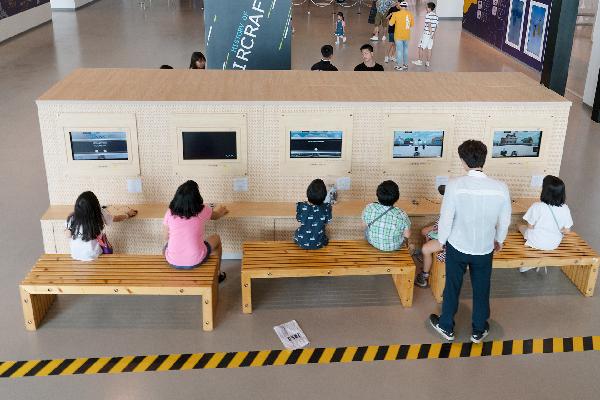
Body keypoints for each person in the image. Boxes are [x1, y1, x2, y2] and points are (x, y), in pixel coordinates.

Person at [429, 140, 511, 344]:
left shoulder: (455, 185)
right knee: (482, 288)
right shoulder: (501, 187)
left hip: (457, 245)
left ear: (463, 161)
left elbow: (446, 217)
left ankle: (446, 326)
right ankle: (478, 329)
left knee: (452, 286)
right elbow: (505, 219)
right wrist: (499, 240)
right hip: (484, 247)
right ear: (484, 159)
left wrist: (441, 240)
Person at [163, 180, 228, 282]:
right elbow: (216, 216)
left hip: (172, 260)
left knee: (168, 245)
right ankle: (217, 274)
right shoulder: (202, 210)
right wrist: (221, 209)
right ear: (196, 197)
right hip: (195, 260)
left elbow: (166, 237)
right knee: (216, 238)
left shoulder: (169, 212)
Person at [518, 175, 573, 272]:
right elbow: (567, 231)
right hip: (553, 243)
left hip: (536, 241)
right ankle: (535, 262)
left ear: (545, 191)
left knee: (519, 225)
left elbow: (530, 226)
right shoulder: (565, 208)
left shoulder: (537, 206)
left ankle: (529, 262)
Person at [65, 191, 137, 261]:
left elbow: (67, 233)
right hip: (93, 256)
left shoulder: (71, 218)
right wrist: (127, 215)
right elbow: (114, 219)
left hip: (75, 255)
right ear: (96, 205)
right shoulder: (99, 213)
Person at [362, 180, 411, 251]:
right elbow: (407, 235)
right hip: (394, 247)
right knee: (412, 246)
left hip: (373, 243)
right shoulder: (401, 214)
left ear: (377, 194)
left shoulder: (369, 207)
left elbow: (364, 226)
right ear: (397, 197)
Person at [415, 185, 446, 288]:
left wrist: (433, 229)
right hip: (446, 232)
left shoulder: (452, 206)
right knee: (424, 231)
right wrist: (432, 228)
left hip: (452, 239)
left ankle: (424, 275)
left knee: (425, 248)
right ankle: (427, 260)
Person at [294, 179, 333, 249]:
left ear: (308, 193)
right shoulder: (327, 207)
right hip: (319, 242)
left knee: (297, 233)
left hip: (301, 241)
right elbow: (328, 221)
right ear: (324, 196)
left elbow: (299, 219)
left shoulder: (301, 206)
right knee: (325, 237)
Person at [389, 1, 414, 71]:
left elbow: (391, 24)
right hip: (407, 35)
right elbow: (411, 25)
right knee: (405, 50)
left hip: (398, 36)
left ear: (400, 6)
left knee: (399, 51)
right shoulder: (410, 14)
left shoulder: (396, 14)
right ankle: (405, 65)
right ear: (406, 7)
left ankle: (399, 66)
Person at [412, 2, 438, 69]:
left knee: (421, 47)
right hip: (431, 35)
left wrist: (430, 33)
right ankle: (428, 62)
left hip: (427, 34)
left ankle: (419, 61)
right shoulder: (436, 16)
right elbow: (436, 26)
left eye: (427, 7)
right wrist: (433, 34)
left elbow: (429, 25)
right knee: (429, 48)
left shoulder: (428, 15)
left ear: (429, 8)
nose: (426, 8)